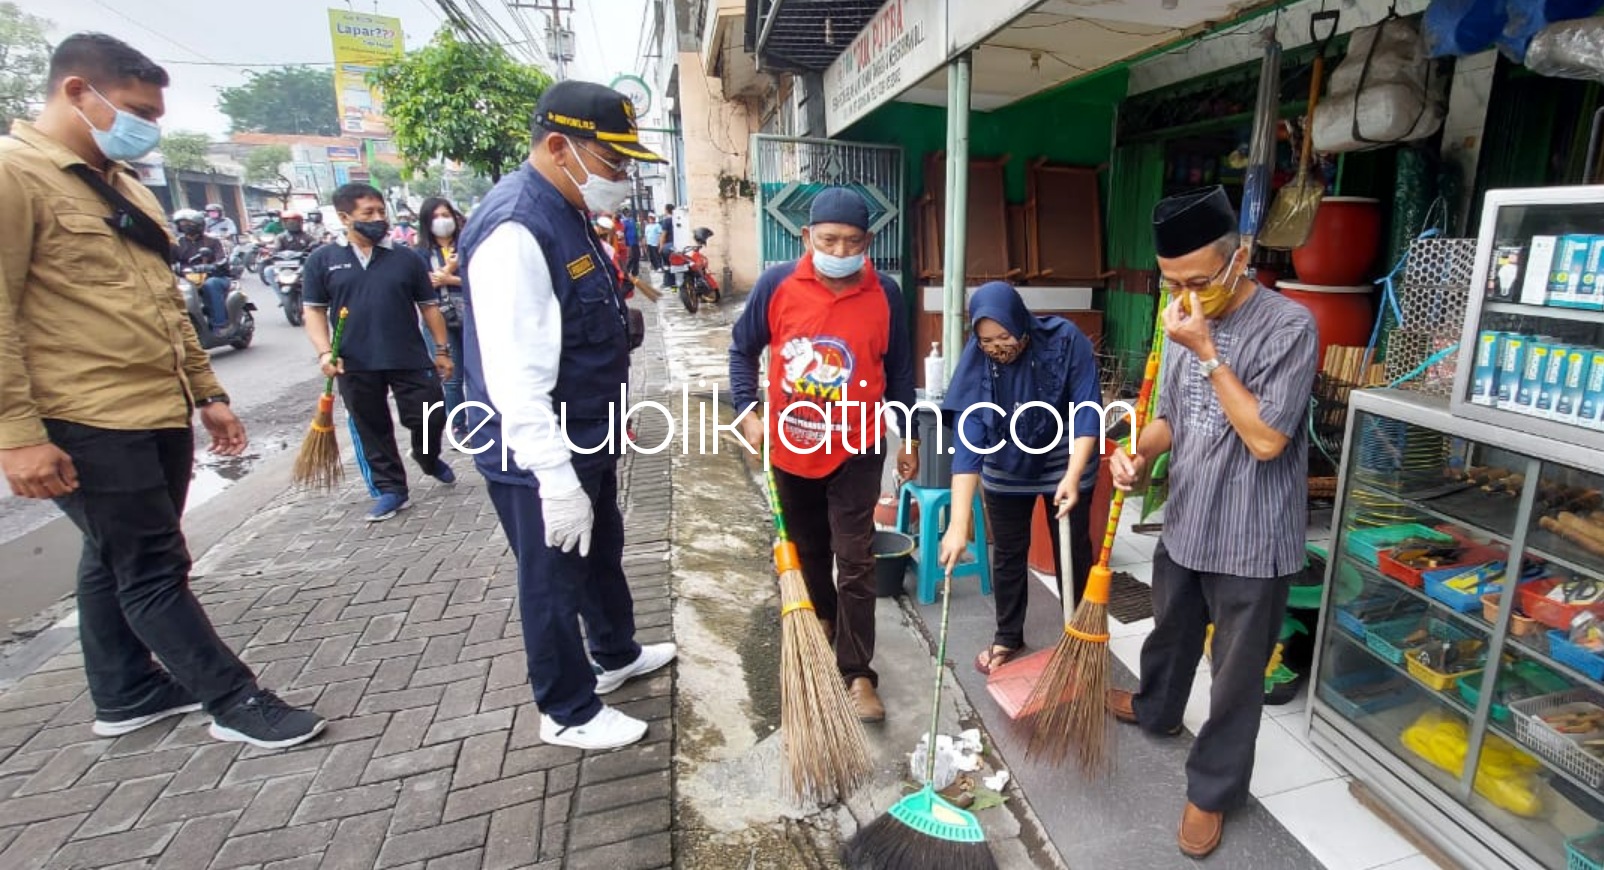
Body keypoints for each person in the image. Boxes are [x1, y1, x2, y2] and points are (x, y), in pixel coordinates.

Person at [0, 32, 324, 748]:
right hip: (85, 415)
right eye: (138, 110)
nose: (147, 126)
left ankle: (126, 693)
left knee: (112, 555)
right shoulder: (13, 177)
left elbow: (168, 306)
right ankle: (235, 700)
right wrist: (16, 436)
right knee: (152, 566)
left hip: (156, 407)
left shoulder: (123, 187)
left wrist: (208, 393)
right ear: (78, 92)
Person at [458, 80, 677, 751]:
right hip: (539, 451)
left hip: (587, 433)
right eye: (614, 160)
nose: (622, 176)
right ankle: (567, 709)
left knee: (600, 550)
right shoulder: (517, 228)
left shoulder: (567, 211)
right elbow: (514, 376)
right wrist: (554, 479)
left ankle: (615, 653)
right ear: (559, 146)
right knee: (553, 578)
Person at [1106, 186, 1318, 858]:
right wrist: (1138, 453)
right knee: (1169, 630)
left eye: (1199, 282)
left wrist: (1206, 351)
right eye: (1172, 284)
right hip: (1189, 517)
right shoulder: (1181, 317)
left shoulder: (1290, 327)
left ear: (1240, 259)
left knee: (1234, 675)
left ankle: (1213, 789)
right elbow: (1173, 417)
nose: (1185, 298)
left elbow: (1267, 439)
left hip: (1253, 536)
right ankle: (1156, 708)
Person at [729, 187, 916, 723]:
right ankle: (825, 621)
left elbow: (900, 372)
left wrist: (909, 438)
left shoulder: (885, 293)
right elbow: (742, 349)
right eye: (829, 239)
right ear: (806, 235)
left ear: (869, 241)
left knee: (855, 559)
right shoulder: (777, 284)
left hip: (858, 447)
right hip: (792, 446)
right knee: (809, 551)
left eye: (852, 241)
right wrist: (747, 412)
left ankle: (858, 673)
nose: (840, 250)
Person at [929, 282, 1102, 674]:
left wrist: (1074, 474)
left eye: (1005, 336)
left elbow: (1087, 406)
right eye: (987, 340)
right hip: (1005, 464)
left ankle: (1079, 638)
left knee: (1073, 553)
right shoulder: (977, 363)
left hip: (1064, 459)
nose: (998, 347)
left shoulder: (1065, 339)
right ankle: (1008, 635)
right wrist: (957, 525)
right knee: (1008, 554)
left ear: (1020, 321)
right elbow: (968, 445)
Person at [301, 182, 456, 522]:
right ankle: (391, 489)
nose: (377, 218)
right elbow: (313, 311)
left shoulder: (406, 258)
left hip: (408, 354)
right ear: (345, 217)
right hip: (354, 361)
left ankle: (427, 457)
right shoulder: (322, 261)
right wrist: (325, 353)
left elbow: (429, 307)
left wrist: (442, 350)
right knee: (371, 425)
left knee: (430, 414)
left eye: (380, 211)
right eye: (367, 213)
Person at [414, 196, 469, 444]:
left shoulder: (467, 245)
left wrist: (449, 278)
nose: (442, 221)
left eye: (446, 215)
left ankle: (482, 422)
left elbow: (481, 278)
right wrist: (447, 270)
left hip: (469, 315)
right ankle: (458, 427)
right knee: (452, 377)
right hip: (438, 319)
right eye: (435, 217)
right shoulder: (420, 253)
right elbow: (422, 285)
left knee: (476, 374)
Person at [172, 208, 233, 333]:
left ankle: (219, 325)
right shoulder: (177, 243)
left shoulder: (213, 241)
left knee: (211, 285)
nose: (184, 226)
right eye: (181, 224)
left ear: (198, 224)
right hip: (187, 279)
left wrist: (210, 266)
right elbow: (170, 261)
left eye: (187, 223)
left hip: (215, 276)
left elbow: (222, 259)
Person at [658, 203, 677, 287]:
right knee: (676, 267)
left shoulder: (666, 221)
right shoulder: (677, 219)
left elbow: (663, 235)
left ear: (666, 210)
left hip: (668, 247)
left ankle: (668, 284)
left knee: (667, 266)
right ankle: (675, 287)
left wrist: (661, 247)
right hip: (678, 247)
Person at [619, 208, 640, 277]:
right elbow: (622, 232)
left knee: (637, 256)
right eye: (627, 212)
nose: (629, 213)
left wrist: (639, 238)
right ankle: (626, 271)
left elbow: (636, 229)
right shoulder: (623, 222)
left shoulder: (632, 220)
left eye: (628, 212)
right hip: (629, 243)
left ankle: (635, 272)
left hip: (635, 241)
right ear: (624, 213)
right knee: (631, 257)